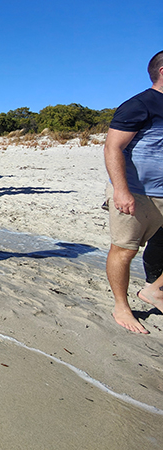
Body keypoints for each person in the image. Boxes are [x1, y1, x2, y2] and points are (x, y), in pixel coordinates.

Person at [103, 50, 163, 334]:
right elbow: (113, 147)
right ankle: (121, 306)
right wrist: (121, 191)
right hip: (137, 193)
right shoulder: (140, 104)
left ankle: (153, 291)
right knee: (124, 251)